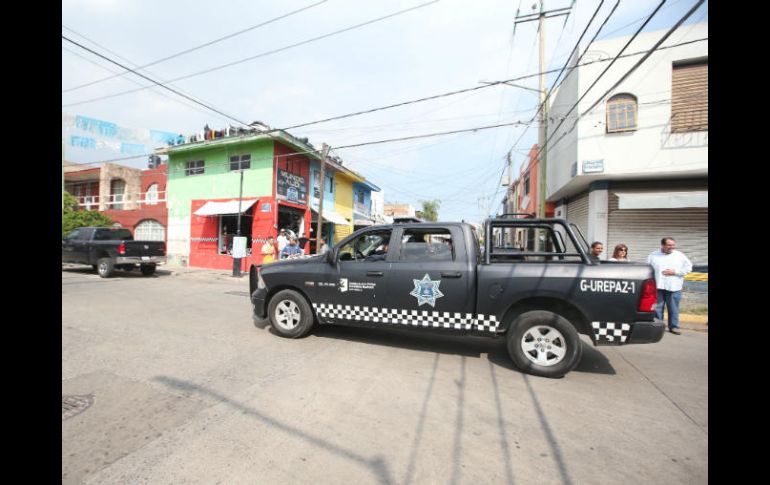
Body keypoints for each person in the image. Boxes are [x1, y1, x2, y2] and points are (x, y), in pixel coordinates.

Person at [647, 237, 692, 335]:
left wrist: (675, 272)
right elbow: (648, 269)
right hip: (658, 286)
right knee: (657, 308)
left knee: (673, 308)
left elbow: (689, 267)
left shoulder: (679, 255)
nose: (672, 247)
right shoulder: (653, 255)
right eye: (669, 245)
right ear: (663, 245)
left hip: (674, 287)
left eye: (673, 245)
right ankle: (658, 327)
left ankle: (674, 327)